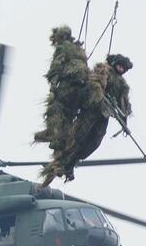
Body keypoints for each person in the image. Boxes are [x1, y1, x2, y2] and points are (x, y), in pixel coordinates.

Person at [42, 54, 133, 184]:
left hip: (104, 115)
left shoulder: (122, 85)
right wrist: (100, 95)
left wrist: (124, 120)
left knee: (95, 141)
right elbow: (94, 84)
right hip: (91, 110)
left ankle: (72, 163)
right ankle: (61, 162)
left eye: (124, 68)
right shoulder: (104, 70)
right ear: (114, 63)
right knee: (78, 137)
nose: (121, 69)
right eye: (120, 66)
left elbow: (124, 104)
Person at [34, 26, 89, 158]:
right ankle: (64, 145)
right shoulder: (80, 50)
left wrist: (53, 82)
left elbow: (57, 65)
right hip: (81, 89)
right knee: (69, 117)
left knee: (55, 109)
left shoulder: (62, 47)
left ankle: (54, 136)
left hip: (67, 86)